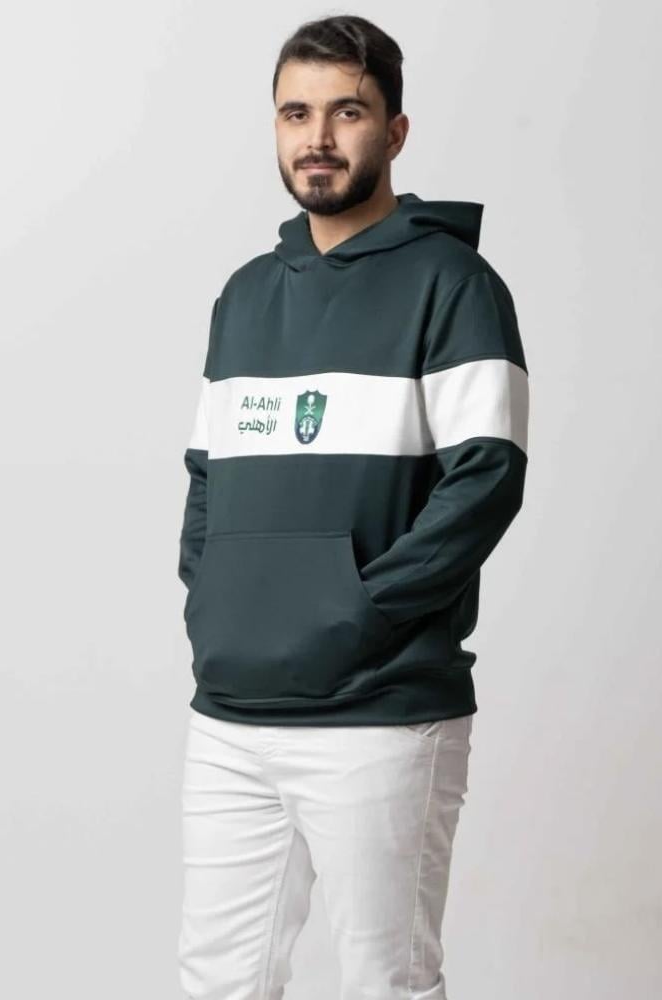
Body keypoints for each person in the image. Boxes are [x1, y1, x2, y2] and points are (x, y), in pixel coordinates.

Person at [176, 14, 529, 1000]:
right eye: (296, 113)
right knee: (217, 980)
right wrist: (214, 606)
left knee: (386, 982)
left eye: (347, 112)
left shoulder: (453, 284)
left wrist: (356, 614)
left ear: (395, 131)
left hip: (380, 712)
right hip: (232, 714)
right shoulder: (245, 295)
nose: (318, 137)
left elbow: (486, 481)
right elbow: (206, 474)